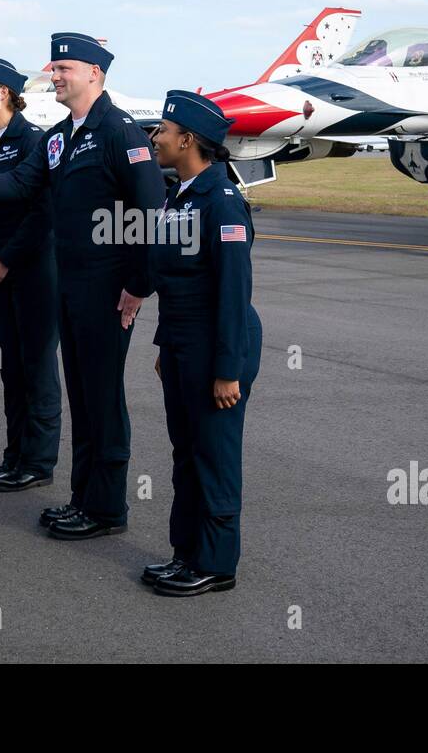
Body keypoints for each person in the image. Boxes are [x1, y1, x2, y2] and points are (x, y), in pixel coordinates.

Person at [0, 33, 165, 539]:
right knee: (81, 393)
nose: (54, 77)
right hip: (70, 285)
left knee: (101, 397)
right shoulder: (60, 136)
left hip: (109, 289)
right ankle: (84, 499)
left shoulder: (120, 132)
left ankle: (107, 509)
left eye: (64, 69)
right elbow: (18, 185)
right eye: (53, 69)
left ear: (95, 74)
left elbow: (150, 212)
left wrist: (139, 285)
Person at [142, 90, 261, 597]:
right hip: (184, 347)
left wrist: (227, 369)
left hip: (217, 349)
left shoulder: (222, 202)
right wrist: (165, 347)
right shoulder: (180, 194)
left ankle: (216, 564)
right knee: (186, 454)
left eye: (163, 131)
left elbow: (233, 292)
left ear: (188, 140)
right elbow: (173, 283)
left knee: (213, 457)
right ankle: (186, 553)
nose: (155, 138)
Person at [0, 57, 60, 491]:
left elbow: (43, 214)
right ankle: (14, 455)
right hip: (5, 266)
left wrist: (6, 259)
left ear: (4, 93)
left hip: (35, 266)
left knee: (37, 367)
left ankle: (38, 462)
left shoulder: (31, 141)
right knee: (13, 368)